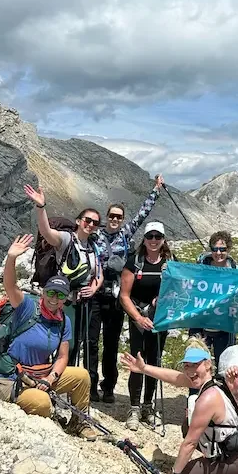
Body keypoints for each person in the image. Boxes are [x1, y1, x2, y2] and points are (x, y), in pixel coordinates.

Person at [120, 338, 238, 474]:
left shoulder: (208, 398)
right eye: (187, 365)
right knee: (186, 426)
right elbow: (174, 377)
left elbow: (189, 443)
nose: (190, 371)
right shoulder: (214, 381)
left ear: (208, 364)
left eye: (195, 365)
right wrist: (143, 368)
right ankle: (223, 468)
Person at [0, 235, 96, 440]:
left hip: (41, 377)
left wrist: (50, 378)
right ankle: (50, 416)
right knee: (42, 403)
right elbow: (11, 287)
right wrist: (11, 258)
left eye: (61, 295)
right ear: (44, 292)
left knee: (81, 376)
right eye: (51, 293)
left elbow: (63, 356)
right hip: (12, 379)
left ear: (65, 299)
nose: (55, 299)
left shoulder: (63, 320)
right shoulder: (28, 307)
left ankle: (78, 423)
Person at [87, 173, 165, 403]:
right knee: (91, 342)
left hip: (116, 296)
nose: (115, 219)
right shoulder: (95, 235)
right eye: (111, 216)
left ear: (122, 220)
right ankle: (91, 385)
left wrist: (156, 190)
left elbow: (143, 214)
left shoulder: (126, 233)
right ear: (106, 217)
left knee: (110, 343)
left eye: (119, 217)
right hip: (95, 294)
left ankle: (108, 386)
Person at [24, 186, 104, 368]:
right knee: (57, 342)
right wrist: (41, 207)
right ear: (78, 221)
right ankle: (42, 376)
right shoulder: (67, 239)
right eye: (87, 220)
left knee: (73, 343)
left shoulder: (94, 247)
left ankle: (63, 380)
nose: (91, 224)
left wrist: (94, 288)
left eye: (95, 223)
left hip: (82, 303)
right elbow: (46, 232)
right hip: (62, 300)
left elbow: (99, 273)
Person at [120, 221, 174, 431]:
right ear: (144, 238)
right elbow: (124, 296)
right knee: (137, 359)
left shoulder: (170, 262)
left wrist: (163, 298)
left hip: (161, 319)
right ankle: (133, 408)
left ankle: (147, 406)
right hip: (139, 318)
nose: (153, 240)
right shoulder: (135, 262)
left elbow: (178, 290)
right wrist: (138, 318)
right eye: (149, 236)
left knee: (155, 361)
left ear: (163, 240)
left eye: (157, 237)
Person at [191, 230, 238, 364]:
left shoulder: (236, 270)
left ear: (228, 249)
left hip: (225, 326)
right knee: (196, 362)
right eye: (215, 249)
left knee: (224, 365)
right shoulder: (200, 268)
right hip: (200, 324)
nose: (218, 253)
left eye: (222, 249)